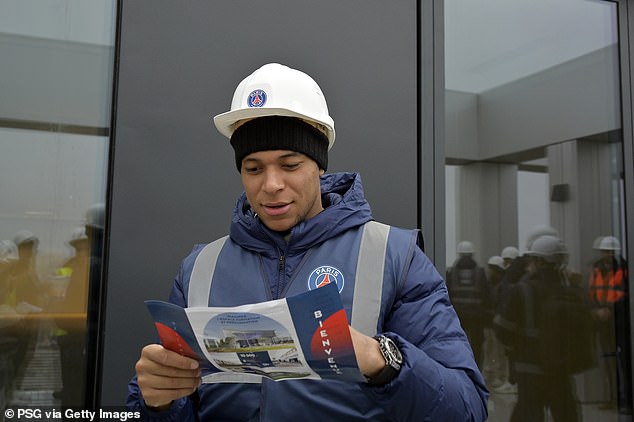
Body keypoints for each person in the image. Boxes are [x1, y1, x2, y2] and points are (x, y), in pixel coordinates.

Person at [126, 63, 488, 421]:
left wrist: (384, 360)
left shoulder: (393, 255)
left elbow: (467, 407)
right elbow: (162, 407)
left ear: (319, 165)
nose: (270, 185)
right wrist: (157, 403)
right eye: (253, 168)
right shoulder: (200, 268)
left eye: (290, 164)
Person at [495, 235, 594, 421]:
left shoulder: (522, 291)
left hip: (529, 372)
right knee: (566, 416)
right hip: (560, 373)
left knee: (527, 415)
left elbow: (502, 330)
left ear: (539, 261)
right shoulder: (570, 292)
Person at [588, 235, 632, 414]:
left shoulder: (623, 268)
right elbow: (592, 292)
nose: (605, 255)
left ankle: (626, 399)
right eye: (603, 251)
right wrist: (597, 310)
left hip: (619, 321)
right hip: (603, 322)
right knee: (608, 361)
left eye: (608, 251)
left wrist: (609, 310)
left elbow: (624, 293)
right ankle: (612, 398)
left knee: (623, 361)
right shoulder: (596, 269)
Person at [445, 240, 489, 368]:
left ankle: (460, 368)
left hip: (458, 316)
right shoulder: (480, 272)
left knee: (458, 344)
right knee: (477, 345)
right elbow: (486, 296)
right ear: (472, 254)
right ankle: (477, 369)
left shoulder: (451, 273)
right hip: (477, 316)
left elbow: (447, 294)